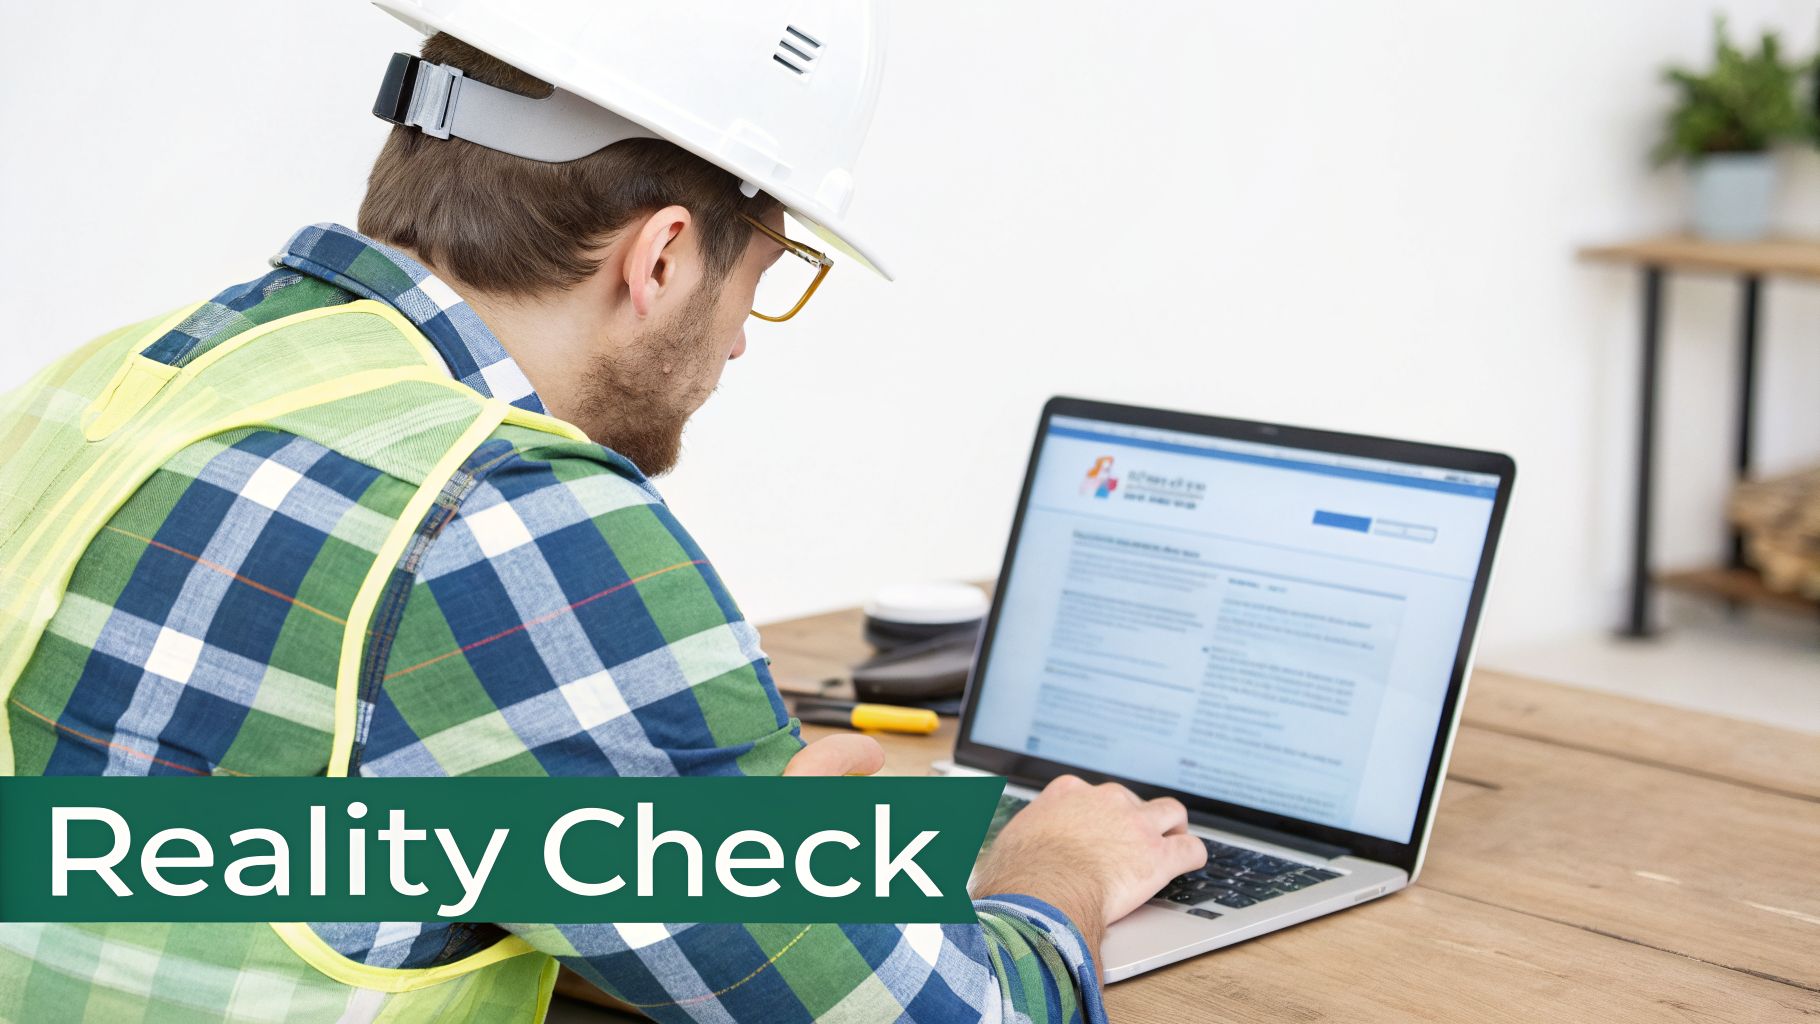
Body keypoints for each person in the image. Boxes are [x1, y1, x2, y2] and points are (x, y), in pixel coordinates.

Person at [0, 4, 1205, 1021]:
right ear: (665, 254)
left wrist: (733, 839)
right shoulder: (503, 519)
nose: (738, 340)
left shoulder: (121, 377)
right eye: (763, 281)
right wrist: (1056, 867)